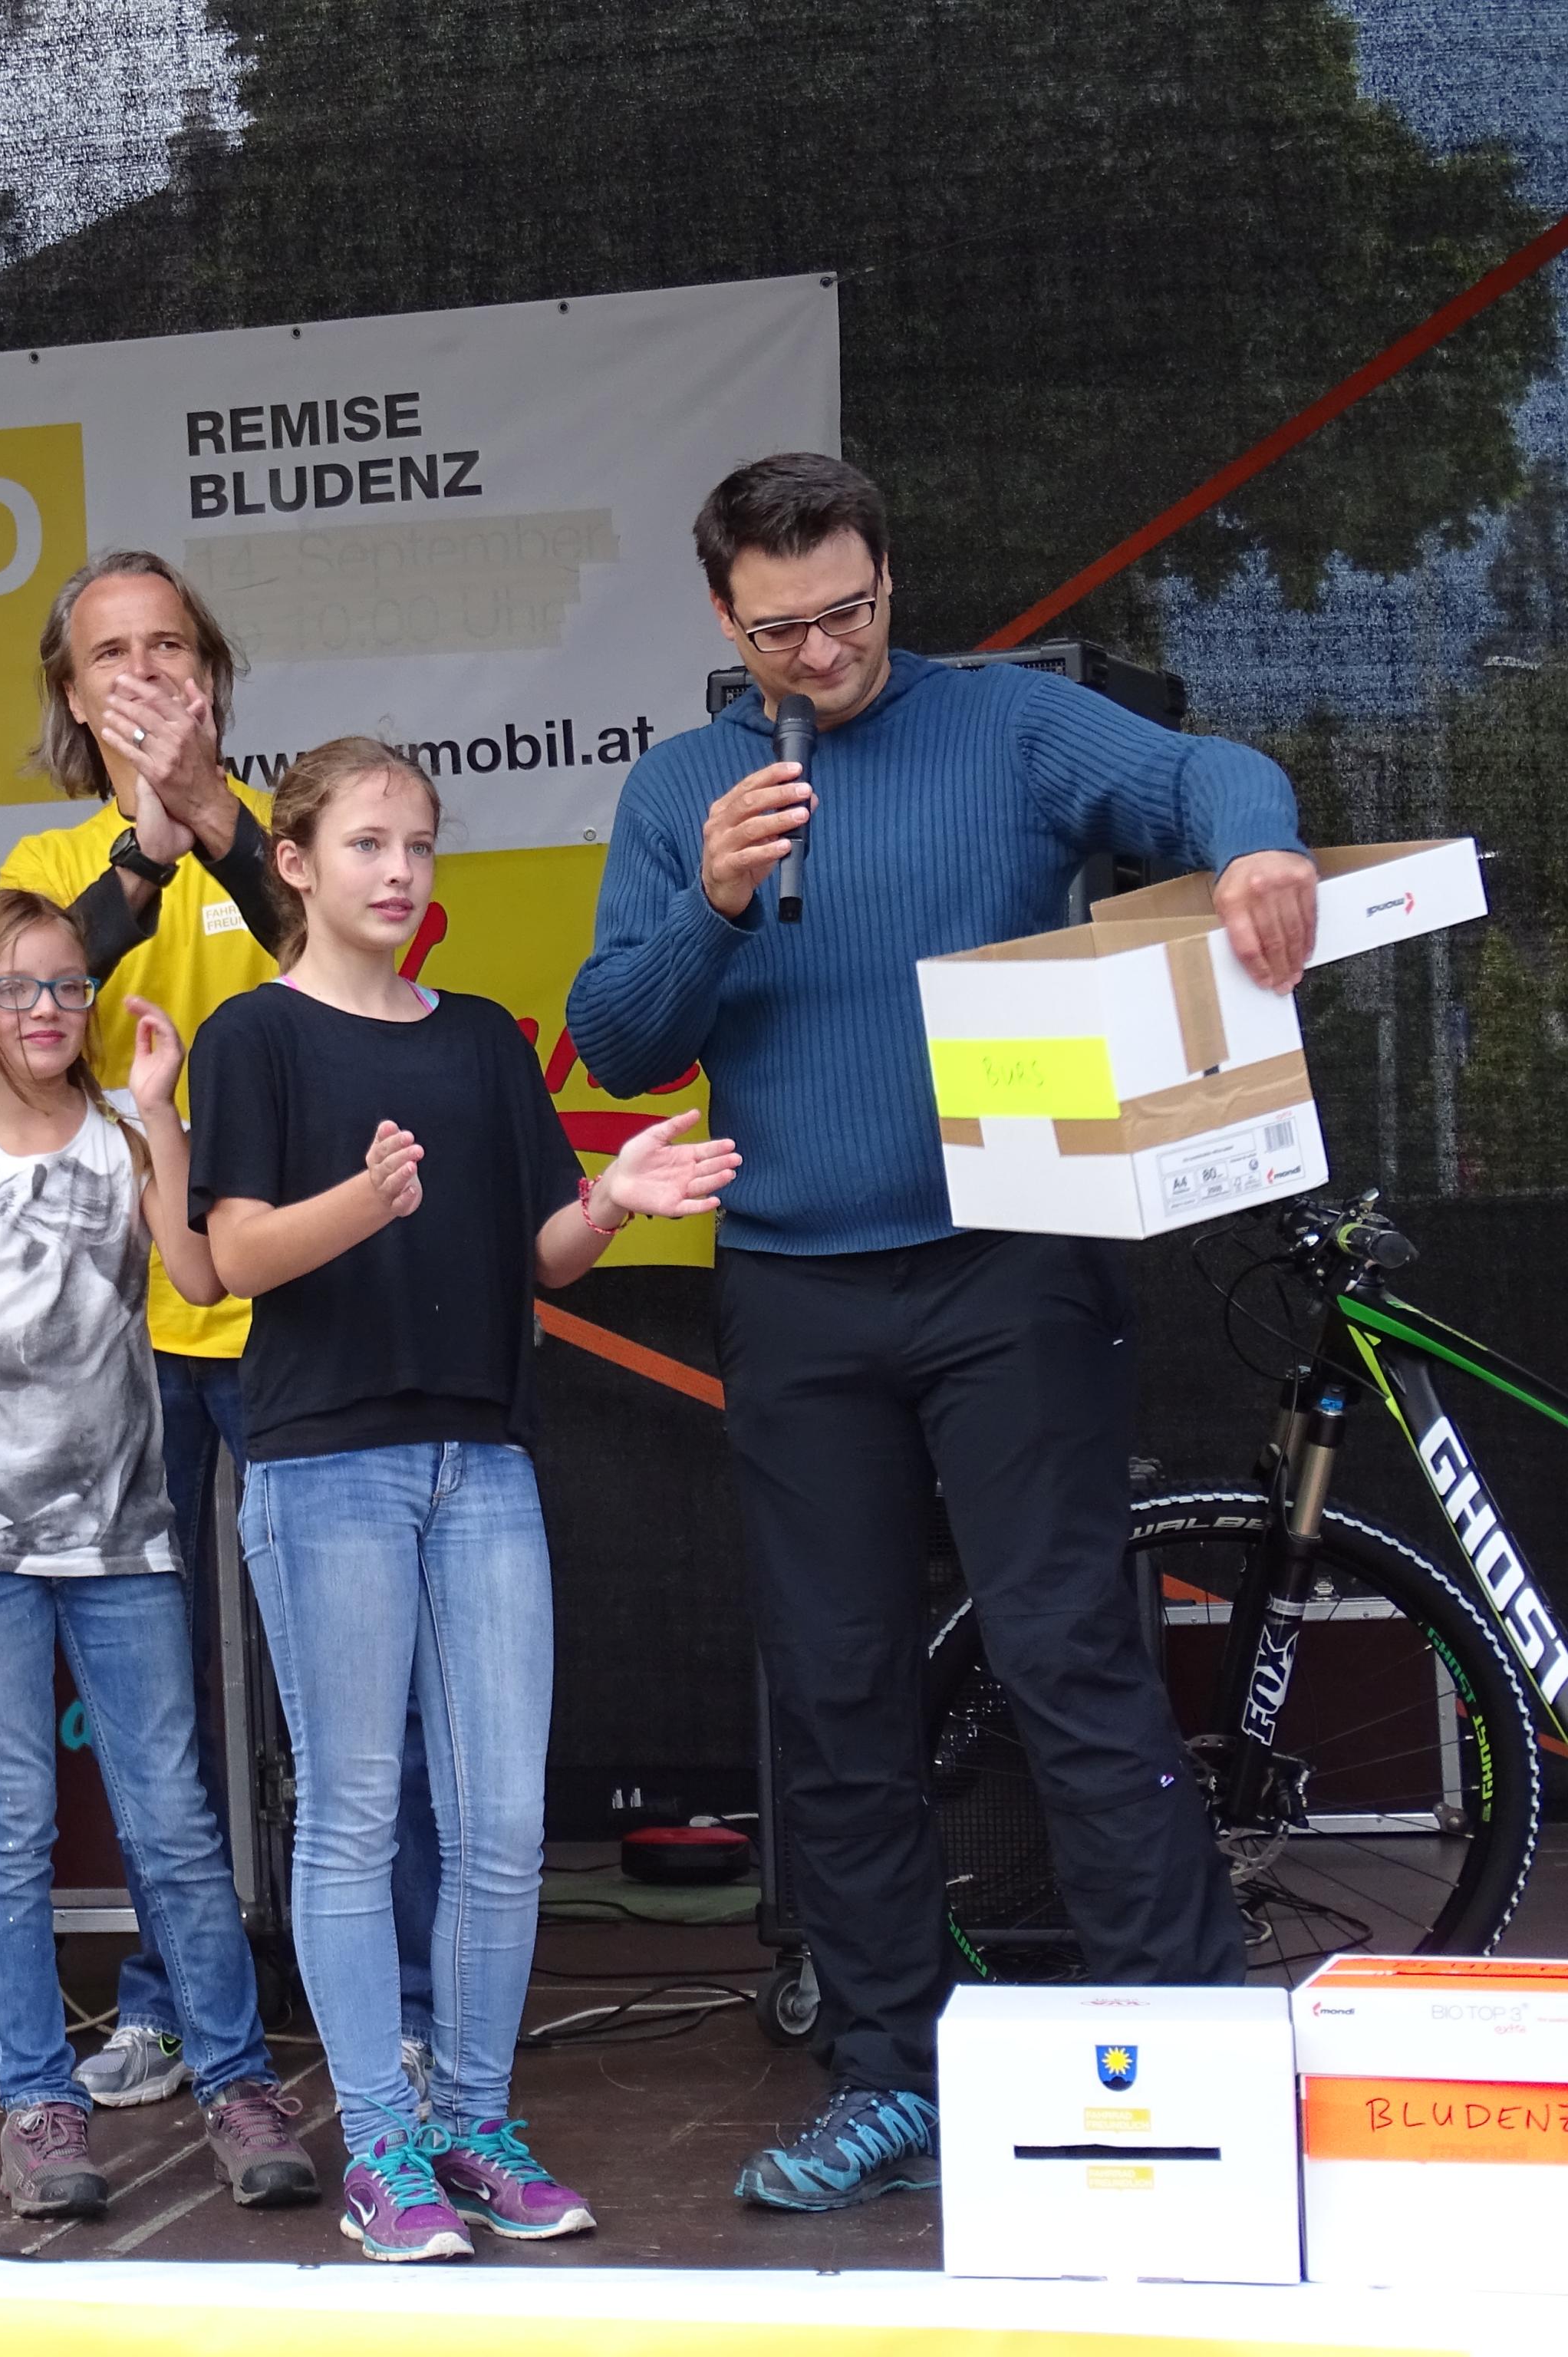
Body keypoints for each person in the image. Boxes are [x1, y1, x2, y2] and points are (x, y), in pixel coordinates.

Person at [565, 452, 1320, 2213]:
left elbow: (1198, 771)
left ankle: (1186, 2057)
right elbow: (613, 1037)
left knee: (1068, 1657)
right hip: (792, 1288)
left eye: (841, 612)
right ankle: (888, 2080)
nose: (817, 651)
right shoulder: (678, 789)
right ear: (720, 616)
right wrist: (710, 902)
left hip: (1013, 1267)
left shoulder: (1001, 728)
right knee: (835, 1695)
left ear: (887, 580)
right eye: (777, 630)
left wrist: (1257, 846)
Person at [191, 736, 738, 2262]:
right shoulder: (254, 1037)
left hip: (482, 1457)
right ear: (293, 863)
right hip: (326, 1465)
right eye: (366, 844)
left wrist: (606, 1203)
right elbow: (230, 1256)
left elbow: (538, 1256)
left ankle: (474, 2124)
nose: (397, 871)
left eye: (418, 845)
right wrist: (361, 1202)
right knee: (352, 1814)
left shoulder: (487, 1039)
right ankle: (380, 2143)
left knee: (501, 1818)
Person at [0, 551, 447, 2115]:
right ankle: (173, 1998)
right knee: (149, 1689)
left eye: (168, 646)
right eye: (108, 654)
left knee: (360, 1683)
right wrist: (142, 851)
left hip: (296, 1306)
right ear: (71, 695)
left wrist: (214, 821)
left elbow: (356, 966)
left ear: (211, 673)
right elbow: (25, 1026)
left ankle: (402, 2005)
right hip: (115, 1332)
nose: (142, 673)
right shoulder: (47, 862)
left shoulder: (299, 836)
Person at [0, 886, 318, 2220]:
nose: (48, 1010)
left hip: (122, 1535)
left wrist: (165, 1115)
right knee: (9, 1821)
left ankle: (236, 2079)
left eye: (67, 984)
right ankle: (38, 2102)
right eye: (16, 988)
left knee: (171, 1819)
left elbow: (199, 1277)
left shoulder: (123, 1138)